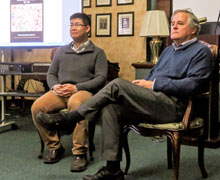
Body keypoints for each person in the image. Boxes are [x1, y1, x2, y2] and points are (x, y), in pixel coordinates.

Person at [36, 9, 213, 180]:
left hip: (174, 107)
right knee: (111, 109)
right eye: (172, 23)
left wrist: (154, 84)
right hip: (154, 102)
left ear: (193, 29)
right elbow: (152, 76)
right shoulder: (168, 50)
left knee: (118, 85)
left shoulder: (201, 52)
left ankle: (71, 118)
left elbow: (193, 85)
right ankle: (112, 169)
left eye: (179, 24)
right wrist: (142, 87)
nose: (173, 27)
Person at [31, 13, 108, 173]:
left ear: (87, 28)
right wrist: (54, 86)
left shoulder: (98, 53)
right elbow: (51, 73)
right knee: (37, 107)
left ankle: (80, 153)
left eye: (77, 24)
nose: (73, 27)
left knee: (76, 104)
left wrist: (77, 88)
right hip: (60, 91)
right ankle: (55, 147)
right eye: (71, 24)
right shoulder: (61, 51)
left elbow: (101, 79)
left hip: (83, 91)